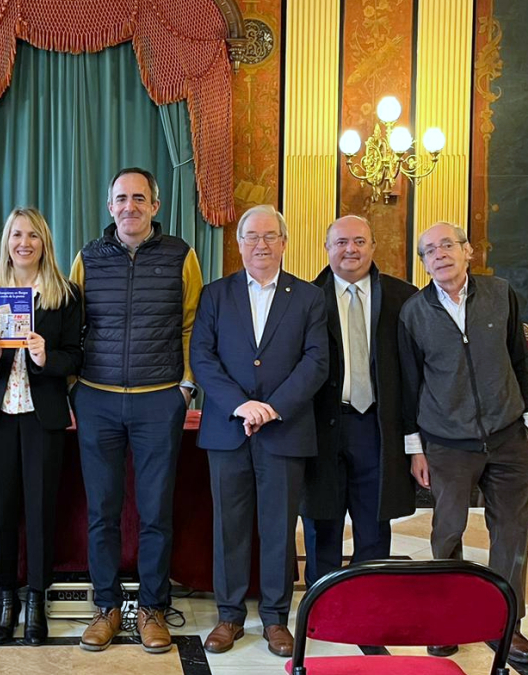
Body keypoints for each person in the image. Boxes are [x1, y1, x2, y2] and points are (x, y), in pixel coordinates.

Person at [72, 167, 202, 654]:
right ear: (110, 207)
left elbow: (193, 323)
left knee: (155, 513)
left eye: (139, 198)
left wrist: (185, 386)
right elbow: (72, 323)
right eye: (122, 198)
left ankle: (152, 608)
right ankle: (105, 607)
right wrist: (74, 388)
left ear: (155, 205)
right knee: (102, 512)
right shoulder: (87, 257)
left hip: (159, 398)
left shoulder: (181, 255)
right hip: (97, 398)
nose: (130, 206)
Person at [398, 221, 528, 664]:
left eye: (447, 245)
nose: (439, 254)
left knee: (513, 532)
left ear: (468, 251)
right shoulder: (413, 313)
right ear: (423, 264)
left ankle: (506, 623)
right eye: (429, 251)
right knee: (448, 530)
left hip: (508, 434)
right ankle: (448, 618)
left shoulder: (500, 293)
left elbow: (519, 355)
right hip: (447, 441)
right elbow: (409, 384)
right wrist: (415, 447)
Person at [190, 205, 327, 657]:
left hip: (284, 431)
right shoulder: (215, 294)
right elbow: (203, 358)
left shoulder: (308, 297)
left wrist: (271, 408)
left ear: (284, 243)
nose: (261, 244)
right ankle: (229, 616)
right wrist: (241, 405)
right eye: (252, 236)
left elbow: (316, 362)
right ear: (239, 243)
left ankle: (275, 618)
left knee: (279, 528)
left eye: (270, 236)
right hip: (227, 430)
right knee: (228, 527)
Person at [0, 208, 83, 645]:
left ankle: (36, 600)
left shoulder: (64, 294)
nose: (24, 243)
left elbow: (76, 356)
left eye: (33, 235)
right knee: (0, 512)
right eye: (17, 234)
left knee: (40, 510)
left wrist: (47, 358)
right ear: (7, 241)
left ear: (44, 242)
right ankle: (5, 600)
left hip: (42, 415)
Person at [302, 215, 417, 586]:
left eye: (359, 241)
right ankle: (323, 600)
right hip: (323, 426)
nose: (350, 249)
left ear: (373, 246)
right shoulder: (305, 298)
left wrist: (416, 438)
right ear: (327, 248)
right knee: (322, 520)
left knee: (374, 521)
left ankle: (371, 596)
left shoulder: (403, 297)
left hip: (378, 426)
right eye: (341, 242)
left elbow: (416, 371)